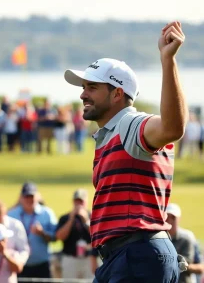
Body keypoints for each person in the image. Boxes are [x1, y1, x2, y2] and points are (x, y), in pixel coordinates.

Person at [64, 21, 188, 282]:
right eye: (84, 87)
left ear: (117, 93)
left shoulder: (130, 124)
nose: (82, 95)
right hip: (127, 256)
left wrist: (168, 61)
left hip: (137, 255)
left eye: (92, 88)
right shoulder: (109, 135)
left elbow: (172, 127)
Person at [8, 182, 57, 282]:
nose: (29, 199)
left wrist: (42, 233)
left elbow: (55, 238)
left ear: (37, 196)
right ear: (21, 197)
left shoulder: (46, 213)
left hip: (42, 265)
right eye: (26, 196)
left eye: (32, 196)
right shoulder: (12, 214)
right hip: (20, 265)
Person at [56, 189, 92, 279]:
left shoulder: (92, 216)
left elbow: (97, 235)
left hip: (89, 259)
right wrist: (71, 219)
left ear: (86, 202)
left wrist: (86, 221)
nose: (78, 204)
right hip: (70, 258)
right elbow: (60, 237)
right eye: (76, 201)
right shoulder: (65, 218)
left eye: (81, 202)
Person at [166, 203, 204, 283]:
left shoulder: (187, 238)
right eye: (167, 217)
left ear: (179, 219)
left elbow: (200, 267)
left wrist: (180, 265)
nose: (170, 220)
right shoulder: (159, 238)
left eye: (173, 217)